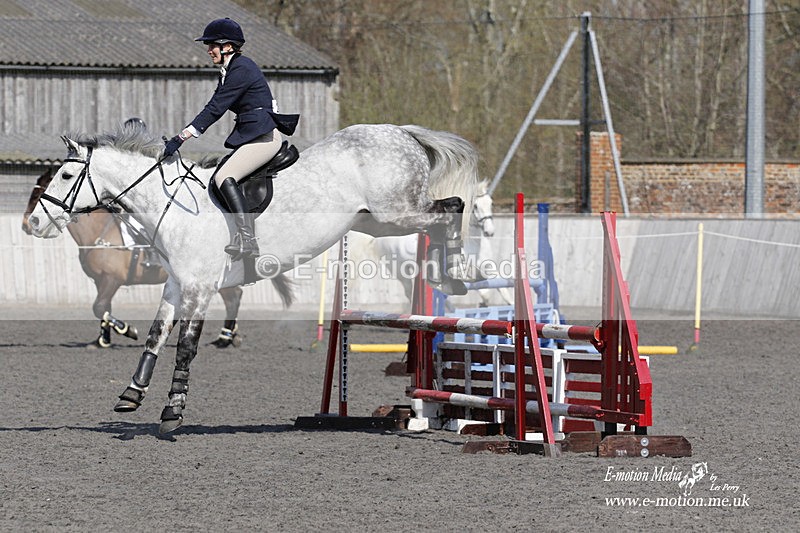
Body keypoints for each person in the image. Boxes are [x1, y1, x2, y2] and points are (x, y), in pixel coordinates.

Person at [163, 18, 298, 260]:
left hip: (265, 137)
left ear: (227, 46)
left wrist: (182, 137)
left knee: (225, 176)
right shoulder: (231, 70)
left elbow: (215, 108)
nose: (208, 50)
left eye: (212, 45)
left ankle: (248, 240)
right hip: (254, 136)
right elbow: (214, 104)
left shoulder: (242, 68)